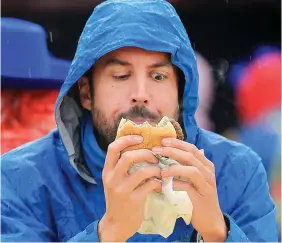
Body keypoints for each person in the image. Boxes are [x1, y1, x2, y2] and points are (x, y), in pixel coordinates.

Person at [1, 0, 278, 242]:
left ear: (180, 91)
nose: (141, 95)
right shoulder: (21, 178)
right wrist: (108, 232)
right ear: (86, 92)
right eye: (121, 76)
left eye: (158, 77)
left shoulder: (237, 171)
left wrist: (219, 233)